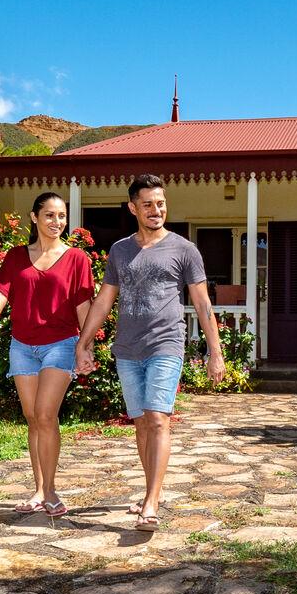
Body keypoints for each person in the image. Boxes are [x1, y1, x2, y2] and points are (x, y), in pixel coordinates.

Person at [78, 174, 224, 531]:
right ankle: (148, 492)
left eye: (160, 203)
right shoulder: (120, 250)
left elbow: (203, 304)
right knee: (142, 423)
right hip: (128, 348)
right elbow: (104, 301)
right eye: (148, 204)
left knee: (158, 418)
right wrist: (84, 342)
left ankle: (152, 503)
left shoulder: (184, 249)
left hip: (166, 344)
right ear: (133, 208)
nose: (156, 210)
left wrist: (214, 351)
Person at [0, 192, 96, 516]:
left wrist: (86, 346)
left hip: (60, 344)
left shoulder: (77, 259)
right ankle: (39, 489)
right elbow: (1, 292)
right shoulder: (15, 257)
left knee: (45, 415)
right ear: (34, 217)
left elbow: (84, 304)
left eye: (62, 216)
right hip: (22, 346)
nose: (57, 222)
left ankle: (51, 491)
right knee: (32, 418)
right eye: (50, 215)